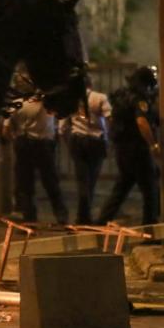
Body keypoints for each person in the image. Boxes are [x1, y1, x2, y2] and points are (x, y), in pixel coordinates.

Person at [98, 66, 161, 225]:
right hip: (137, 149)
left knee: (122, 187)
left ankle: (101, 221)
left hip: (122, 149)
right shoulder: (139, 99)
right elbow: (142, 122)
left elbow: (113, 120)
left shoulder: (121, 96)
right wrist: (153, 144)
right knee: (149, 189)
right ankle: (150, 227)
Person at [3, 84, 69, 224]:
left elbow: (6, 129)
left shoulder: (16, 103)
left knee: (25, 183)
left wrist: (15, 138)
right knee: (51, 181)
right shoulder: (46, 102)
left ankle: (30, 217)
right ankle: (61, 215)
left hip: (22, 144)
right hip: (43, 144)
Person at [59, 76, 111, 225]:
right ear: (90, 84)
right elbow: (109, 118)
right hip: (95, 141)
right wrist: (107, 138)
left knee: (82, 180)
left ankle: (83, 216)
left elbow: (62, 128)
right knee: (92, 179)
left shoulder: (70, 101)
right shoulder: (100, 98)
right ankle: (85, 216)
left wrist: (69, 145)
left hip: (77, 140)